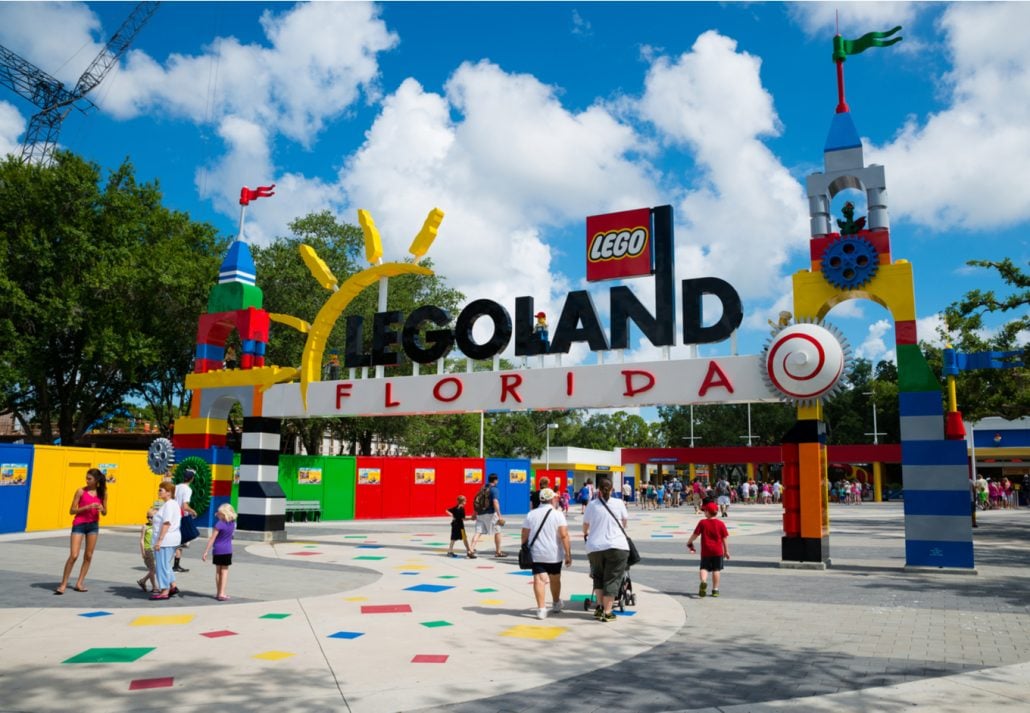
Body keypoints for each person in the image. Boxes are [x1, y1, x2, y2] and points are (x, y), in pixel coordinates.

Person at [582, 478, 630, 623]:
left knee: (598, 576)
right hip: (617, 546)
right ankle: (607, 612)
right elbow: (625, 522)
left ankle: (599, 607)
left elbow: (585, 525)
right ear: (612, 489)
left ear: (598, 489)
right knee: (612, 578)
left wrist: (586, 534)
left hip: (595, 547)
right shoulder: (619, 503)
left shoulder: (592, 505)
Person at [55, 468, 108, 594]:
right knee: (74, 555)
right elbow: (72, 510)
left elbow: (105, 512)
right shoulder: (80, 491)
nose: (87, 480)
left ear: (96, 480)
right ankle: (63, 584)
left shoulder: (103, 493)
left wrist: (102, 508)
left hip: (93, 526)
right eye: (86, 478)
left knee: (88, 556)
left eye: (89, 478)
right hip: (79, 524)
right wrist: (87, 507)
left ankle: (79, 583)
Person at [520, 488, 571, 619]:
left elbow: (524, 534)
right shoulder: (558, 514)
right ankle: (556, 603)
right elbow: (564, 535)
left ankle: (541, 609)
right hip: (554, 554)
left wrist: (524, 546)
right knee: (555, 579)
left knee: (539, 580)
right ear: (552, 499)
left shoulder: (531, 514)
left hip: (537, 553)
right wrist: (568, 554)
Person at [686, 501, 730, 598]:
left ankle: (703, 581)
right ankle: (715, 590)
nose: (704, 512)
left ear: (707, 512)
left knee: (704, 568)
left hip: (706, 551)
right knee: (716, 570)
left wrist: (689, 542)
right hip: (718, 551)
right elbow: (724, 539)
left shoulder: (702, 523)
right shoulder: (721, 524)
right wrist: (726, 551)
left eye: (705, 511)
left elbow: (695, 535)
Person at [151, 481, 182, 600]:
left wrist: (159, 541)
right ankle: (173, 586)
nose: (158, 492)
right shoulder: (172, 504)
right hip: (171, 539)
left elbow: (166, 523)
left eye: (161, 490)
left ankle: (164, 590)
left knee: (162, 565)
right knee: (166, 565)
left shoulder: (169, 505)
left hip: (166, 540)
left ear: (169, 492)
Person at [201, 503, 238, 601]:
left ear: (224, 513)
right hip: (227, 550)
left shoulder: (219, 524)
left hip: (217, 549)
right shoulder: (233, 523)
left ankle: (218, 593)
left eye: (220, 513)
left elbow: (212, 539)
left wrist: (206, 551)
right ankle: (222, 593)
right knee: (224, 571)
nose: (218, 514)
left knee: (218, 571)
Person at [470, 473, 507, 557]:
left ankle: (471, 549)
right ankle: (498, 551)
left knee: (478, 532)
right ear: (495, 480)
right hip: (491, 514)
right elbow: (495, 502)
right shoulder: (494, 489)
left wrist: (474, 514)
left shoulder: (482, 488)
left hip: (480, 514)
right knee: (497, 531)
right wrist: (499, 515)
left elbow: (477, 502)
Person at [174, 468, 198, 572]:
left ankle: (176, 565)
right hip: (183, 517)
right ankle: (175, 565)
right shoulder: (188, 489)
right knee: (193, 534)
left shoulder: (176, 487)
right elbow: (185, 506)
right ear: (192, 478)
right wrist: (193, 511)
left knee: (181, 540)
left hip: (175, 516)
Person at [136, 507, 158, 593]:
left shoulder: (157, 527)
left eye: (151, 517)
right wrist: (143, 552)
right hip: (148, 550)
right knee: (152, 570)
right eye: (147, 517)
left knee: (154, 569)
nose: (149, 519)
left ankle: (143, 581)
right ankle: (154, 587)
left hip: (155, 550)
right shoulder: (145, 526)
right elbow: (141, 540)